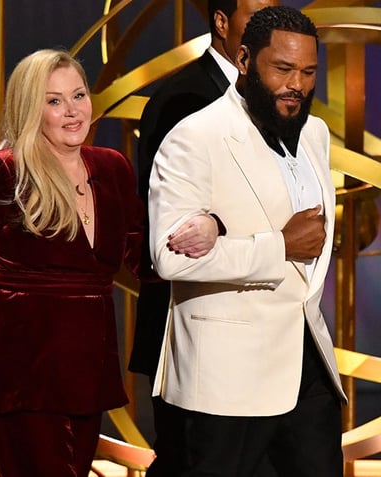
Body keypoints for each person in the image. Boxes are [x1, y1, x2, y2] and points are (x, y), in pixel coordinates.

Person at [0, 48, 216, 477]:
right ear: (30, 108)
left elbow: (143, 258)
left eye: (78, 95)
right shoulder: (8, 171)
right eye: (54, 101)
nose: (72, 111)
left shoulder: (111, 167)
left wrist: (211, 231)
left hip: (88, 369)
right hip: (23, 372)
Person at [148, 6, 346, 476]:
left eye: (307, 71)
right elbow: (169, 260)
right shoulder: (194, 138)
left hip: (307, 365)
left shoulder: (314, 133)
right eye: (281, 69)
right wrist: (279, 247)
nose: (295, 83)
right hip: (228, 377)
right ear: (243, 59)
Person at [129, 1, 278, 474]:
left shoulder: (278, 98)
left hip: (264, 325)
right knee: (188, 461)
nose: (270, 25)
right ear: (220, 21)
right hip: (192, 325)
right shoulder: (181, 97)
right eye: (259, 15)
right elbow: (171, 226)